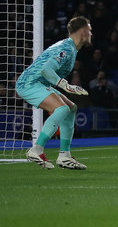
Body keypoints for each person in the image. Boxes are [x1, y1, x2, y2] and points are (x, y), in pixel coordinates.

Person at [20, 17, 92, 170]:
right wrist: (66, 86)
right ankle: (36, 149)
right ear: (82, 31)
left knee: (71, 108)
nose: (91, 33)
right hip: (30, 83)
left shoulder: (69, 47)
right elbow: (46, 70)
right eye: (89, 29)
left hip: (39, 83)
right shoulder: (66, 48)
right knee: (62, 108)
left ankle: (64, 156)